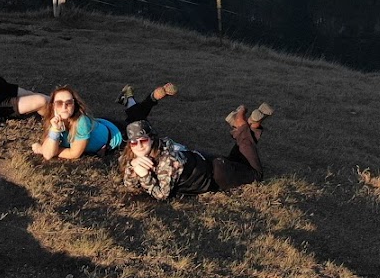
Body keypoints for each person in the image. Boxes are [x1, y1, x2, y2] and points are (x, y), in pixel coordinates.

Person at [121, 101, 274, 199]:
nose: (139, 146)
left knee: (255, 174)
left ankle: (242, 126)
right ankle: (251, 125)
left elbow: (162, 195)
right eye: (134, 143)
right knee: (237, 162)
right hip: (209, 163)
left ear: (152, 139)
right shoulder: (145, 153)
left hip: (216, 176)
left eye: (143, 141)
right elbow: (129, 184)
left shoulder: (167, 160)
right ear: (130, 145)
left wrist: (144, 175)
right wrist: (134, 166)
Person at [31, 82, 178, 161]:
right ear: (53, 106)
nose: (64, 107)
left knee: (141, 126)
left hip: (118, 135)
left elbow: (72, 153)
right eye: (59, 103)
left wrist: (46, 149)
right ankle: (130, 99)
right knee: (135, 119)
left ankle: (146, 99)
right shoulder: (53, 120)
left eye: (69, 102)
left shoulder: (81, 122)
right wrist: (54, 131)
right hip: (103, 125)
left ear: (75, 104)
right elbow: (49, 153)